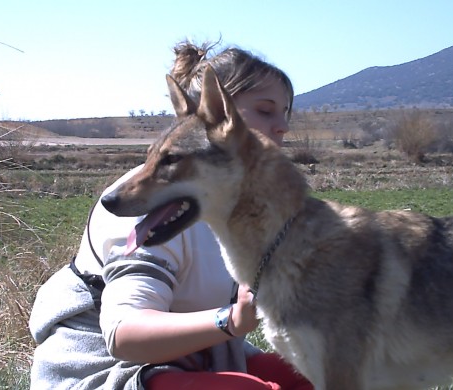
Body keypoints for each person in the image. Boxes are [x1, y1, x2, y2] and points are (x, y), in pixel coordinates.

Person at [29, 40, 314, 390]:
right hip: (106, 368)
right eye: (266, 110)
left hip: (204, 356)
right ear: (217, 111)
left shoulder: (240, 204)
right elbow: (124, 335)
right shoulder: (156, 199)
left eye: (286, 112)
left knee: (319, 376)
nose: (283, 126)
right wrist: (230, 320)